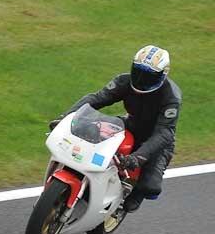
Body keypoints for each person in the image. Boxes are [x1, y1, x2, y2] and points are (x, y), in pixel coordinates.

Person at [50, 45, 181, 212]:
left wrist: (138, 157)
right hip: (129, 124)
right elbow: (97, 98)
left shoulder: (171, 97)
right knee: (87, 135)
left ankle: (134, 194)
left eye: (149, 76)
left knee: (150, 186)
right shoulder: (124, 81)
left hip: (157, 140)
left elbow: (164, 133)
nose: (141, 79)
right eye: (138, 71)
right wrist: (65, 118)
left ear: (163, 75)